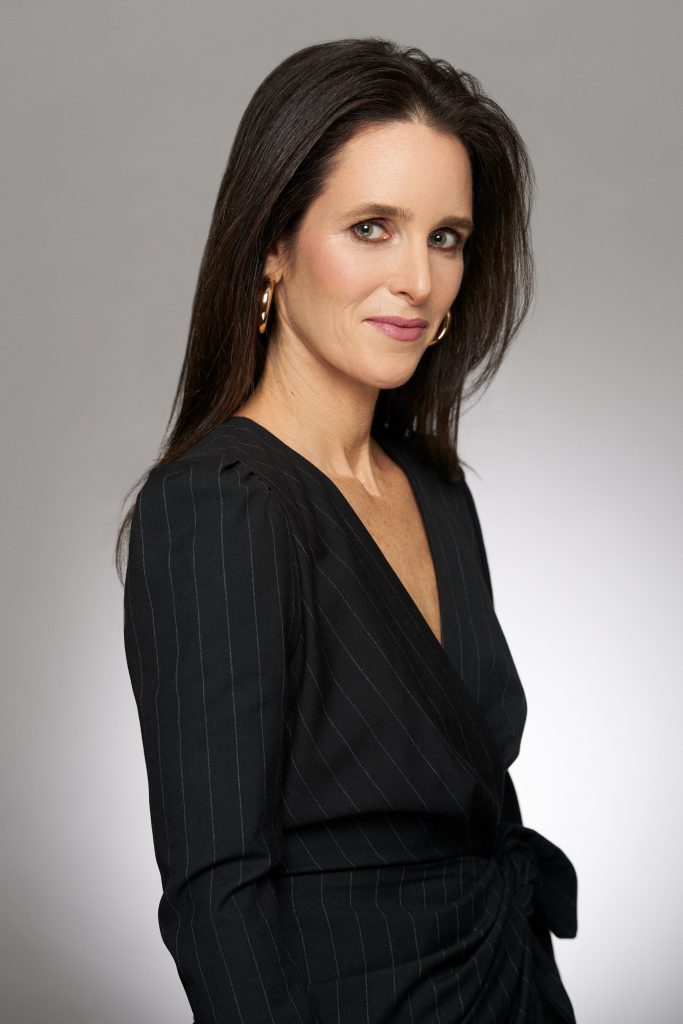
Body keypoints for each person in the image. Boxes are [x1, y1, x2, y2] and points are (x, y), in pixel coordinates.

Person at [117, 36, 578, 1023]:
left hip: (508, 984)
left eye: (445, 237)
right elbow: (217, 899)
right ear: (271, 247)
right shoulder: (220, 505)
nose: (417, 278)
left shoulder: (435, 491)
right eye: (372, 228)